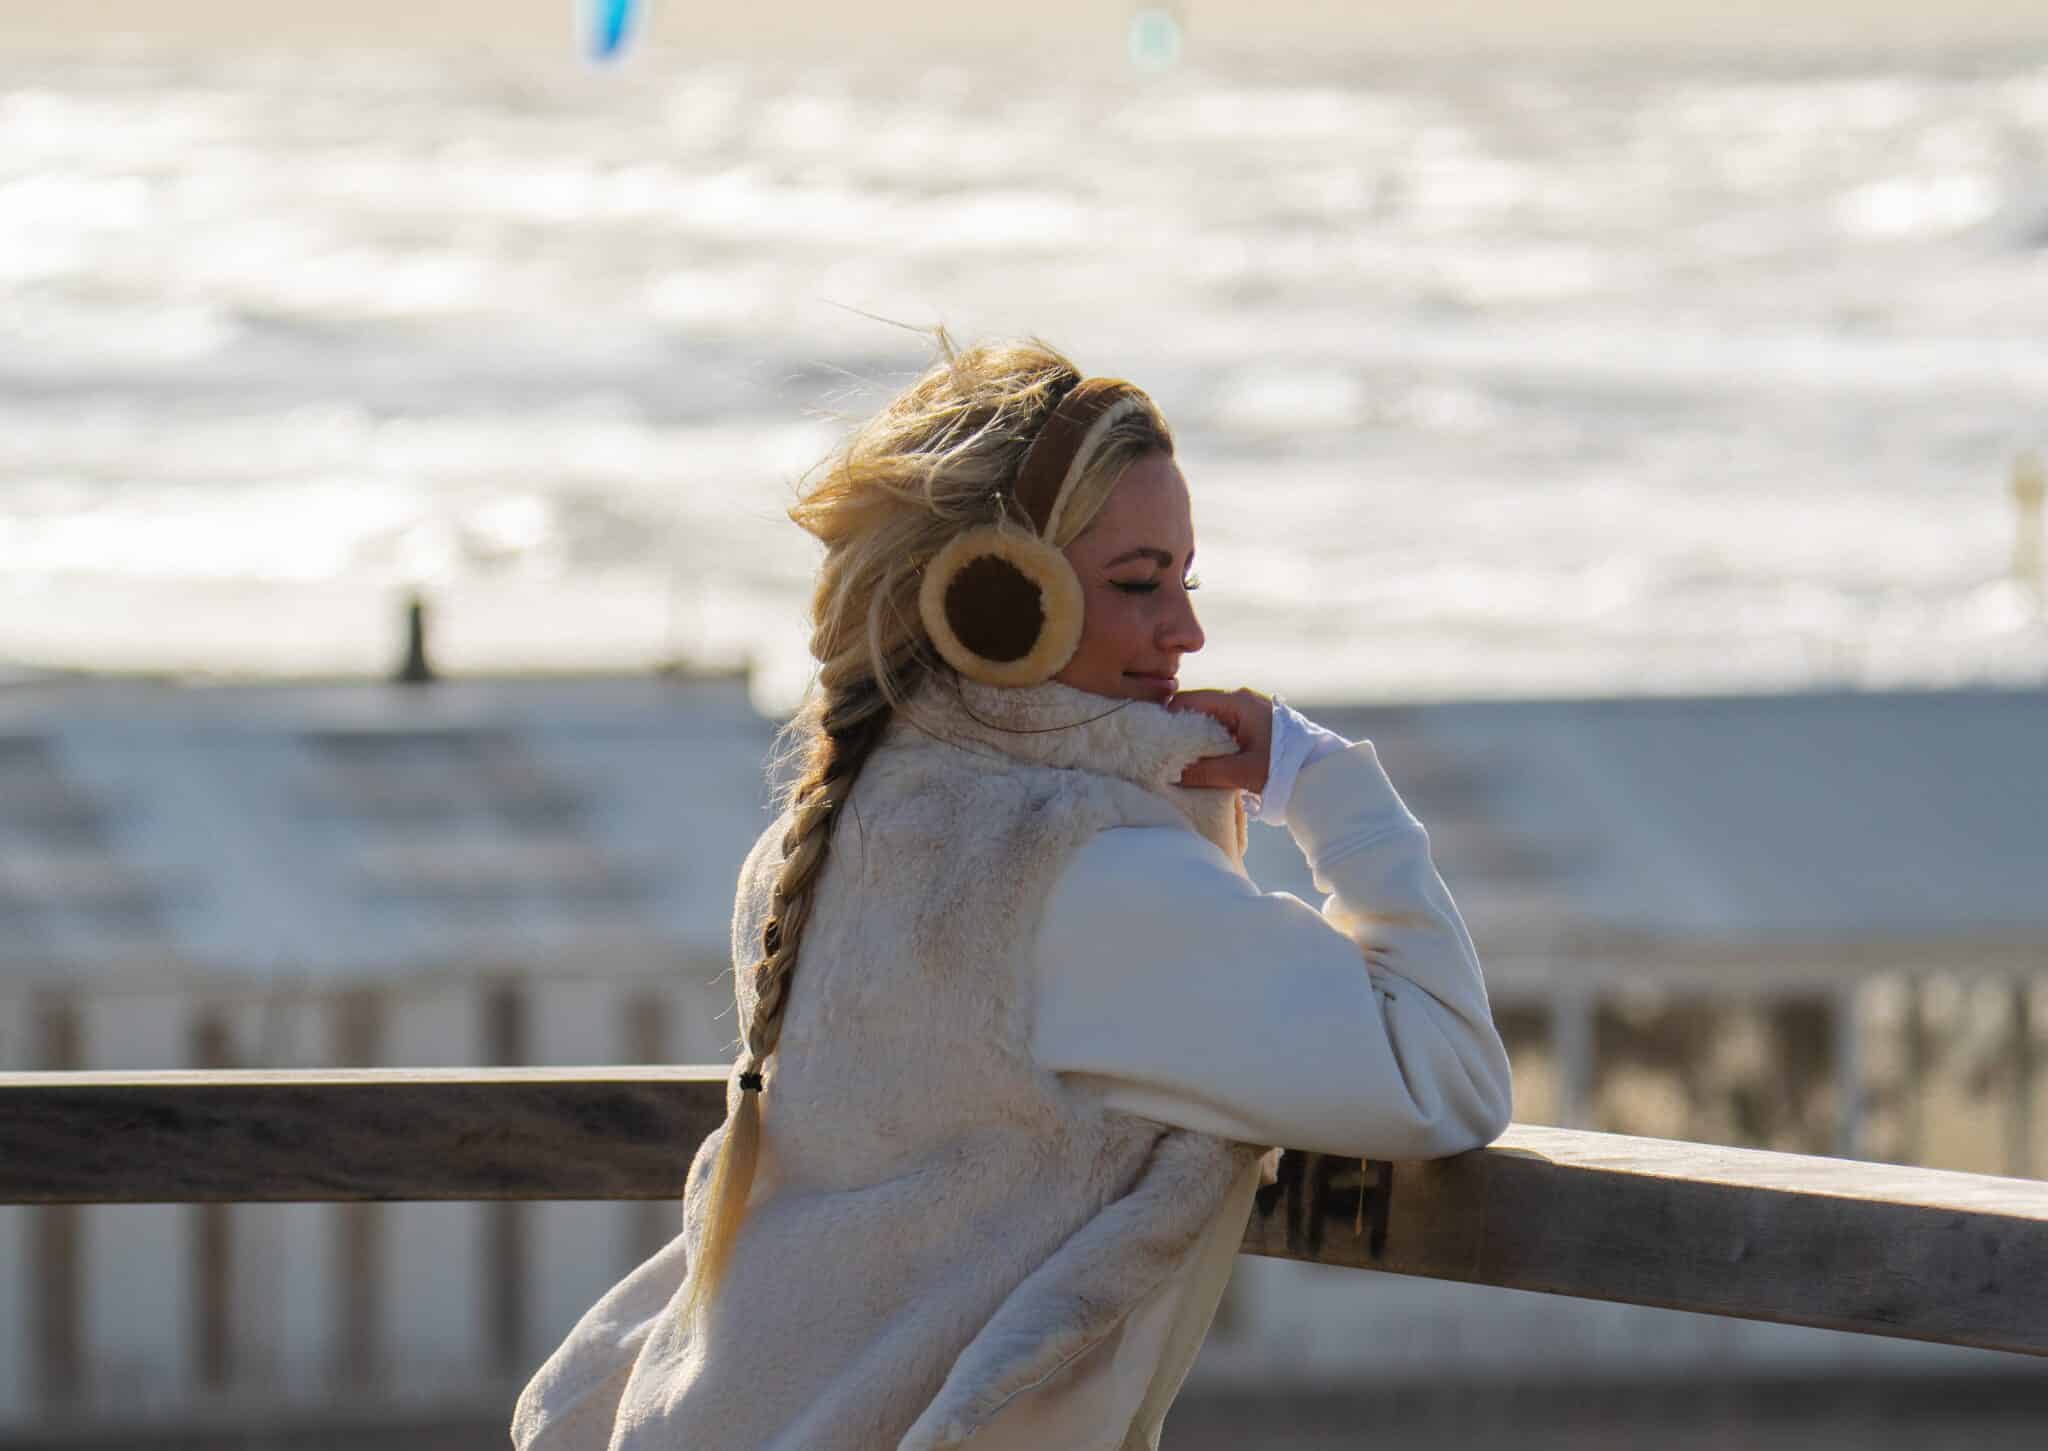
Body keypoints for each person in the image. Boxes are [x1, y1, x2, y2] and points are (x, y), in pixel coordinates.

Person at [511, 336, 1512, 1451]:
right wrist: (1317, 778)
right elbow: (1447, 1072)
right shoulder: (1088, 878)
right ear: (996, 601)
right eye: (1137, 583)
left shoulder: (826, 836)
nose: (1185, 631)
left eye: (1186, 579)